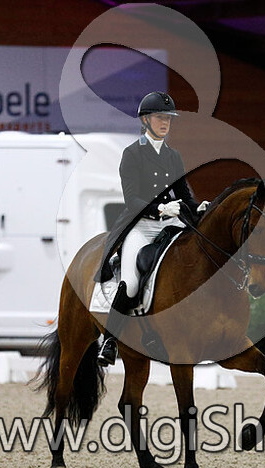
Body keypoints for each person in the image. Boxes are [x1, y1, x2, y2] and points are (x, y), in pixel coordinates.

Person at [94, 91, 208, 366]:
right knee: (131, 282)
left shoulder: (173, 156)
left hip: (170, 225)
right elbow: (131, 199)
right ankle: (109, 341)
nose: (165, 122)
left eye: (168, 118)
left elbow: (185, 194)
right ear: (145, 120)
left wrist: (199, 209)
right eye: (160, 117)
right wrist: (159, 208)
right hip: (141, 226)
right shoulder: (132, 154)